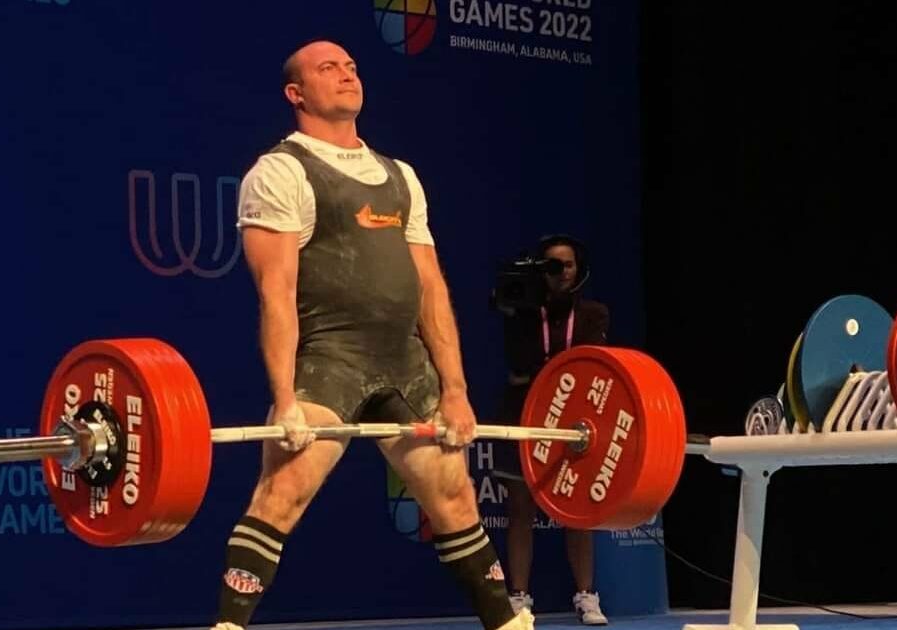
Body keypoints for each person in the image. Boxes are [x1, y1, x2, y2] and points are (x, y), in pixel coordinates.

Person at [213, 39, 534, 630]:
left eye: (352, 66)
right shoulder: (281, 171)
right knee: (283, 493)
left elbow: (431, 288)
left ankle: (509, 624)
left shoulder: (400, 176)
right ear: (296, 93)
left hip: (406, 365)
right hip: (330, 360)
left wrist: (456, 389)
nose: (346, 74)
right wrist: (284, 399)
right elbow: (276, 293)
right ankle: (229, 625)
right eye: (328, 68)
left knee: (456, 498)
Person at [491, 234, 611, 625]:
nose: (560, 273)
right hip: (522, 416)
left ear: (580, 269)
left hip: (572, 422)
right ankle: (519, 598)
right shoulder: (522, 312)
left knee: (577, 511)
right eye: (551, 265)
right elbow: (518, 362)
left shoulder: (593, 314)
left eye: (567, 265)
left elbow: (587, 366)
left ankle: (586, 595)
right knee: (519, 509)